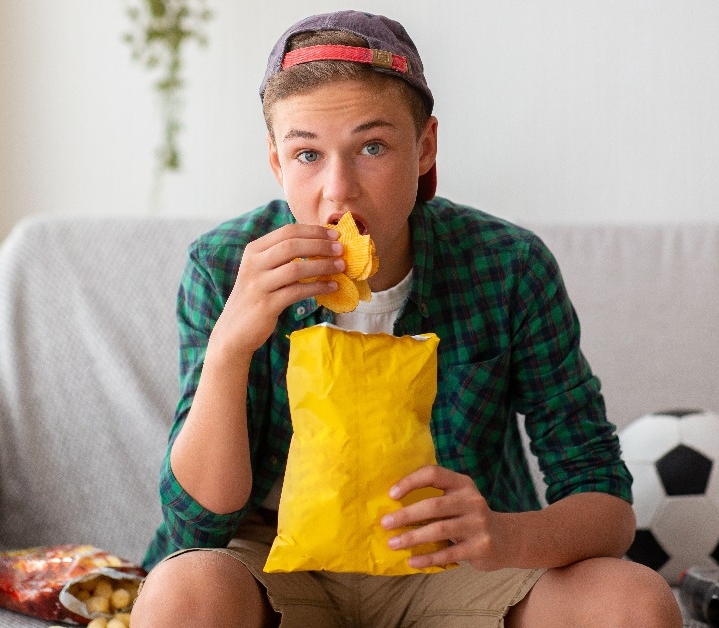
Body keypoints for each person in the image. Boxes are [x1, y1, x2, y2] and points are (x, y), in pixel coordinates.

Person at [132, 10, 681, 627]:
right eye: (307, 153)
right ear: (275, 161)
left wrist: (503, 536)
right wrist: (232, 344)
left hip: (455, 567)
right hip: (280, 565)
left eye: (372, 147)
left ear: (425, 147)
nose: (338, 191)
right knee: (181, 597)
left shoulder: (508, 267)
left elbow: (605, 502)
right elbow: (194, 523)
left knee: (635, 605)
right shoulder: (223, 266)